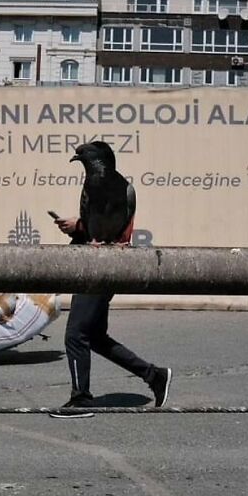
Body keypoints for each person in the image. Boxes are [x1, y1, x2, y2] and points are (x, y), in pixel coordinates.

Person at [50, 141, 171, 418]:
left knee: (76, 334)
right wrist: (79, 226)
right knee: (93, 336)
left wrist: (79, 226)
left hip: (102, 267)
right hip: (96, 261)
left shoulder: (125, 189)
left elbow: (120, 231)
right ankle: (155, 376)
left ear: (98, 158)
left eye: (85, 155)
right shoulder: (91, 186)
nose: (79, 157)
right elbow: (94, 222)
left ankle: (81, 399)